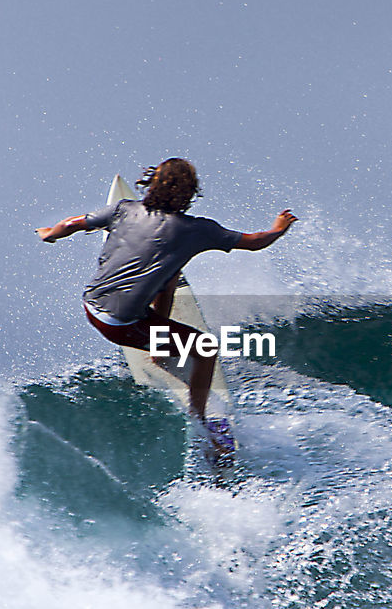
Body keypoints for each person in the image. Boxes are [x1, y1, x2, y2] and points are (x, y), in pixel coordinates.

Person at [36, 157, 296, 441]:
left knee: (171, 274)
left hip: (90, 304)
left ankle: (158, 347)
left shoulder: (123, 209)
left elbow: (74, 223)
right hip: (119, 324)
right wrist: (278, 229)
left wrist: (51, 234)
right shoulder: (198, 230)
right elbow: (254, 242)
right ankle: (199, 420)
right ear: (190, 193)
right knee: (206, 349)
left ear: (151, 184)